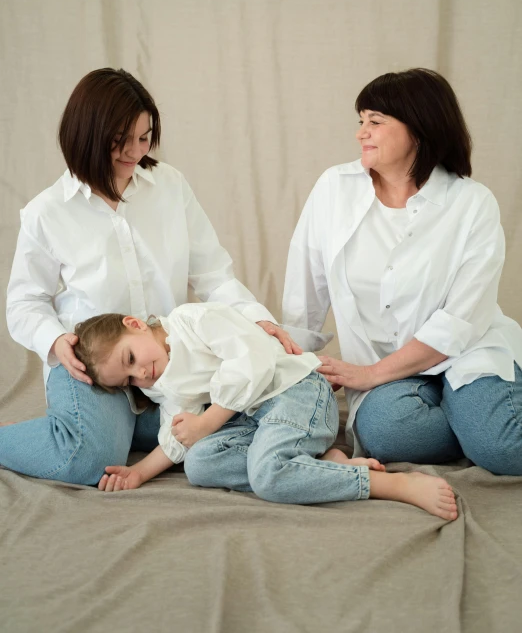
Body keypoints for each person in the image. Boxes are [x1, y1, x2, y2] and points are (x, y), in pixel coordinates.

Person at [2, 68, 299, 485]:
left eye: (144, 138)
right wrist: (55, 341)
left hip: (166, 366)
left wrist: (256, 319)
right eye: (121, 141)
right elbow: (24, 304)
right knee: (87, 460)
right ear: (87, 134)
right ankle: (100, 427)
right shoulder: (47, 212)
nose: (135, 152)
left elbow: (213, 274)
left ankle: (126, 427)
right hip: (93, 368)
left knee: (246, 403)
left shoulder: (170, 186)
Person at [283, 68, 522, 473]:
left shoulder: (472, 203)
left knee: (504, 451)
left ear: (420, 128)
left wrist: (369, 374)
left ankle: (485, 418)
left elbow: (460, 322)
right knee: (387, 436)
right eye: (361, 121)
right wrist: (293, 372)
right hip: (389, 370)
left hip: (464, 352)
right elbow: (305, 294)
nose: (362, 133)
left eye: (375, 121)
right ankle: (478, 419)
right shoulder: (334, 188)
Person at [72, 302, 458, 519]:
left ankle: (392, 486)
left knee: (268, 475)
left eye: (131, 358)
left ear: (135, 324)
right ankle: (325, 462)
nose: (140, 373)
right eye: (128, 380)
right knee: (200, 464)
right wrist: (138, 473)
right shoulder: (160, 381)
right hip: (256, 420)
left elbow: (253, 360)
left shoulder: (193, 321)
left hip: (297, 393)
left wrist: (208, 421)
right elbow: (180, 434)